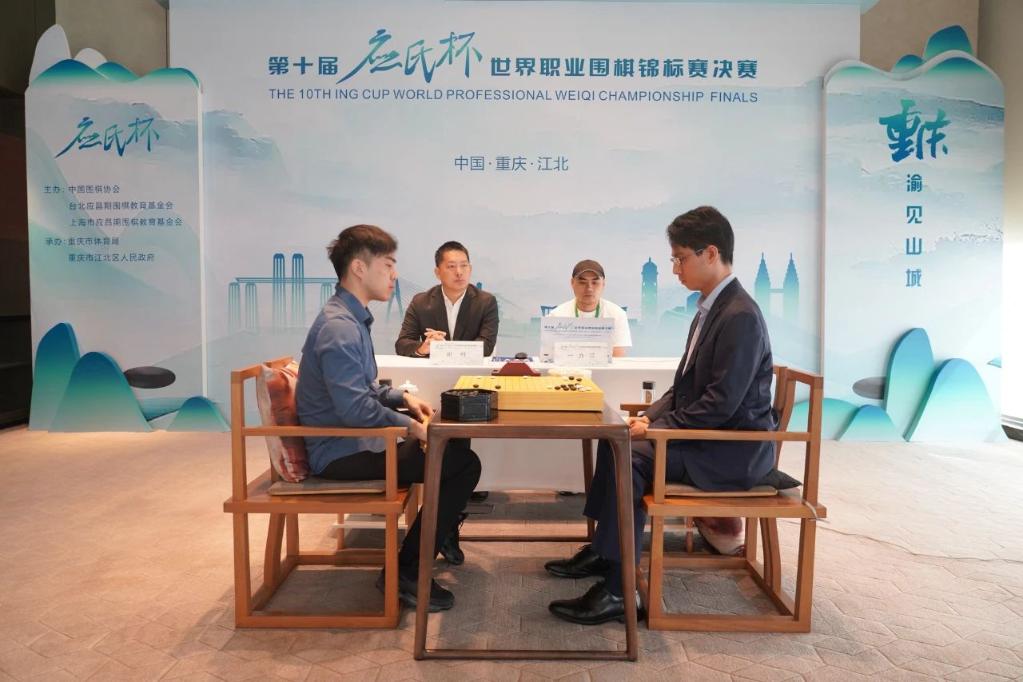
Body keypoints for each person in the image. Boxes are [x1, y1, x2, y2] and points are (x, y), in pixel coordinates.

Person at [545, 206, 778, 625]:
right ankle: (605, 553)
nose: (674, 269)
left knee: (629, 457)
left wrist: (656, 429)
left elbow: (721, 403)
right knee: (616, 439)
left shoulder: (740, 316)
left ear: (711, 253)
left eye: (680, 258)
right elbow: (683, 389)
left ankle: (618, 590)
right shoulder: (713, 308)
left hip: (731, 451)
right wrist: (648, 420)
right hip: (709, 438)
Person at [296, 224, 481, 612]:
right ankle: (407, 572)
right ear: (359, 268)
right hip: (340, 451)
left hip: (354, 440)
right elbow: (355, 410)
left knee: (455, 441)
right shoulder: (339, 328)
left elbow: (363, 391)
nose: (394, 274)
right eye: (388, 264)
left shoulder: (350, 318)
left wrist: (403, 398)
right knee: (463, 464)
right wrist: (413, 427)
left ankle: (431, 543)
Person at [395, 241, 499, 357]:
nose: (459, 272)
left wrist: (444, 348)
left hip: (470, 368)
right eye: (451, 266)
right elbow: (402, 344)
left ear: (470, 269)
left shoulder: (486, 302)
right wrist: (423, 347)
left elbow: (486, 346)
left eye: (464, 265)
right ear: (437, 273)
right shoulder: (420, 302)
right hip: (434, 368)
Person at [547, 259, 632, 357]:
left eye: (595, 283)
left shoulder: (617, 314)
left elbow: (618, 357)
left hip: (605, 367)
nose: (589, 288)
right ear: (572, 283)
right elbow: (550, 356)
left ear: (603, 284)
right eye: (582, 282)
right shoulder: (556, 315)